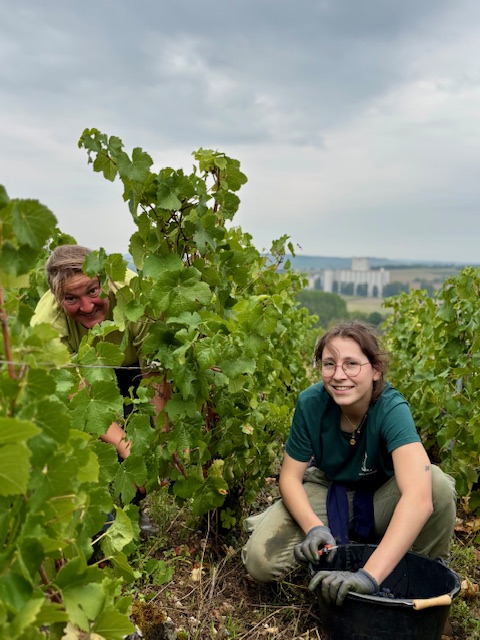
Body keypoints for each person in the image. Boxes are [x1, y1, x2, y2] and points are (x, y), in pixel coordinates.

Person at [242, 321, 457, 605]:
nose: (338, 375)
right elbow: (290, 478)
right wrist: (314, 528)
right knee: (260, 561)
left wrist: (368, 576)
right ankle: (340, 542)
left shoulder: (391, 408)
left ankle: (417, 570)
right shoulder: (311, 403)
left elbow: (418, 498)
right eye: (329, 364)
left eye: (352, 364)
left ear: (376, 370)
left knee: (435, 484)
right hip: (329, 492)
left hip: (382, 499)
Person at [31, 244, 168, 514]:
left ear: (105, 280)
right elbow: (80, 397)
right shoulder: (46, 326)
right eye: (71, 298)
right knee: (102, 443)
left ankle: (135, 506)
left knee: (145, 428)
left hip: (135, 366)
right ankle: (108, 513)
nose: (87, 306)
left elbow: (155, 374)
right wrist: (124, 446)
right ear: (57, 298)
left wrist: (164, 437)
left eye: (93, 291)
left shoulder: (137, 297)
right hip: (85, 376)